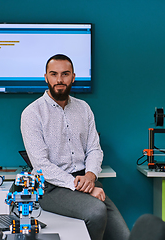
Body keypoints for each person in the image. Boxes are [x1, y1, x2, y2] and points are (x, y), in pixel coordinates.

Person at [20, 54, 130, 240]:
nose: (59, 80)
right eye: (54, 74)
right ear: (46, 77)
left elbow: (94, 148)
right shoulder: (32, 113)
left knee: (124, 236)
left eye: (65, 74)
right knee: (96, 212)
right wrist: (80, 186)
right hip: (51, 187)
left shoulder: (84, 108)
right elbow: (40, 165)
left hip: (85, 181)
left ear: (73, 77)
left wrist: (90, 176)